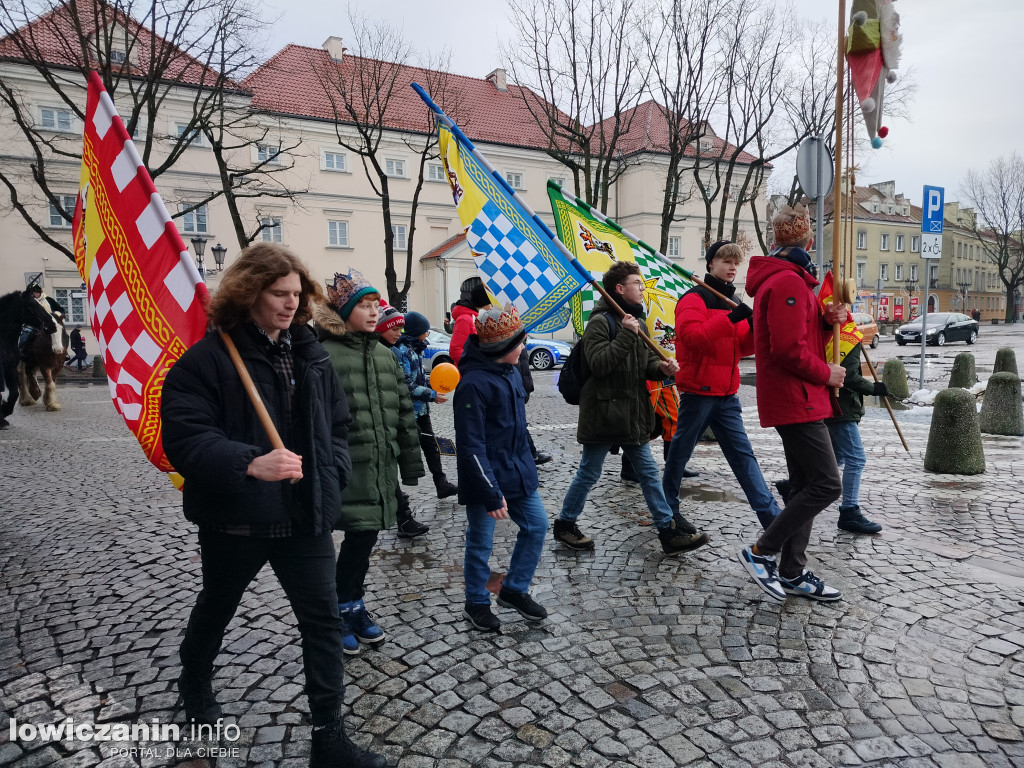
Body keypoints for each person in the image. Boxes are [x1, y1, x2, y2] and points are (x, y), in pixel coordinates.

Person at [160, 243, 388, 768]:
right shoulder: (209, 359)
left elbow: (336, 426)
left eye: (297, 295)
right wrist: (248, 462)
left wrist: (329, 474)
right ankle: (195, 687)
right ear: (248, 293)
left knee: (325, 623)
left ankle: (329, 738)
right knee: (217, 607)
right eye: (279, 294)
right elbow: (185, 436)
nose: (291, 305)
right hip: (236, 519)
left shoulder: (310, 354)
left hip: (303, 514)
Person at [552, 261, 710, 556]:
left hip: (632, 413)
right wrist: (626, 333)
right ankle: (565, 524)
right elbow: (599, 364)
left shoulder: (637, 321)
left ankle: (667, 531)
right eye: (637, 283)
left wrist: (662, 367)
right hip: (604, 414)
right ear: (620, 289)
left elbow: (643, 365)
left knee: (649, 473)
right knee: (589, 472)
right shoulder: (601, 322)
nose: (642, 287)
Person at [738, 204, 847, 603]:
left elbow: (800, 332)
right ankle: (761, 552)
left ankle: (792, 572)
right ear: (809, 241)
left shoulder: (793, 281)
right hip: (797, 398)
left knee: (805, 484)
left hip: (800, 398)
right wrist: (827, 374)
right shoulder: (787, 282)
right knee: (826, 483)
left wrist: (824, 318)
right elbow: (788, 350)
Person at [318, 269, 424, 656]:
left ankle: (352, 605)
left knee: (364, 538)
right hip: (341, 467)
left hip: (379, 466)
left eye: (375, 305)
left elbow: (402, 415)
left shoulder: (384, 353)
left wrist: (410, 464)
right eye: (364, 305)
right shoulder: (323, 353)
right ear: (344, 311)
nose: (373, 311)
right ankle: (334, 613)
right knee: (329, 543)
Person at [662, 240, 782, 530]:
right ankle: (667, 513)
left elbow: (740, 349)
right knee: (679, 454)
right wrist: (732, 318)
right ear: (711, 263)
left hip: (727, 394)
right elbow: (692, 338)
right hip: (699, 391)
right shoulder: (694, 298)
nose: (731, 267)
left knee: (743, 456)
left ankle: (772, 518)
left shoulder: (734, 302)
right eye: (725, 260)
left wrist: (754, 328)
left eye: (735, 262)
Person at [455, 304, 549, 632]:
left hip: (517, 471)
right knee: (481, 541)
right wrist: (491, 493)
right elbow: (471, 446)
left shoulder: (511, 373)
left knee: (537, 526)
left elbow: (518, 429)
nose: (524, 347)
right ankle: (476, 602)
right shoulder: (473, 385)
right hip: (486, 480)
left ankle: (514, 590)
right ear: (503, 348)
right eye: (519, 343)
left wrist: (529, 464)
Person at [392, 309, 460, 506]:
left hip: (421, 410)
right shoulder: (402, 351)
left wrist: (433, 386)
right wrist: (431, 394)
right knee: (405, 450)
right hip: (408, 412)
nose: (427, 335)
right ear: (416, 332)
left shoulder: (415, 349)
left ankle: (441, 483)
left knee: (431, 446)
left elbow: (418, 379)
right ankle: (395, 493)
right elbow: (406, 385)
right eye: (426, 331)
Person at [376, 304, 433, 538]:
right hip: (380, 426)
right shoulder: (391, 353)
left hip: (394, 422)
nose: (398, 332)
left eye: (400, 328)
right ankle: (401, 516)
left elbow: (399, 390)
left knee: (390, 473)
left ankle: (403, 516)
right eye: (393, 328)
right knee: (386, 474)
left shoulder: (391, 352)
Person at [824, 341, 886, 534]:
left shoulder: (832, 335)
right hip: (841, 408)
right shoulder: (848, 339)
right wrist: (873, 389)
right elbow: (849, 377)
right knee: (856, 458)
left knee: (837, 457)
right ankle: (849, 511)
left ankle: (796, 486)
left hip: (832, 405)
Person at [515, 346, 553, 465]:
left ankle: (530, 454)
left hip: (520, 381)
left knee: (519, 423)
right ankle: (531, 454)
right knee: (518, 423)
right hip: (516, 381)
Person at [449, 276, 490, 366]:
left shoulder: (478, 318)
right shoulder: (465, 319)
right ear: (482, 303)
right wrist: (476, 363)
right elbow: (455, 351)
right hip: (468, 373)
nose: (491, 307)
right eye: (489, 303)